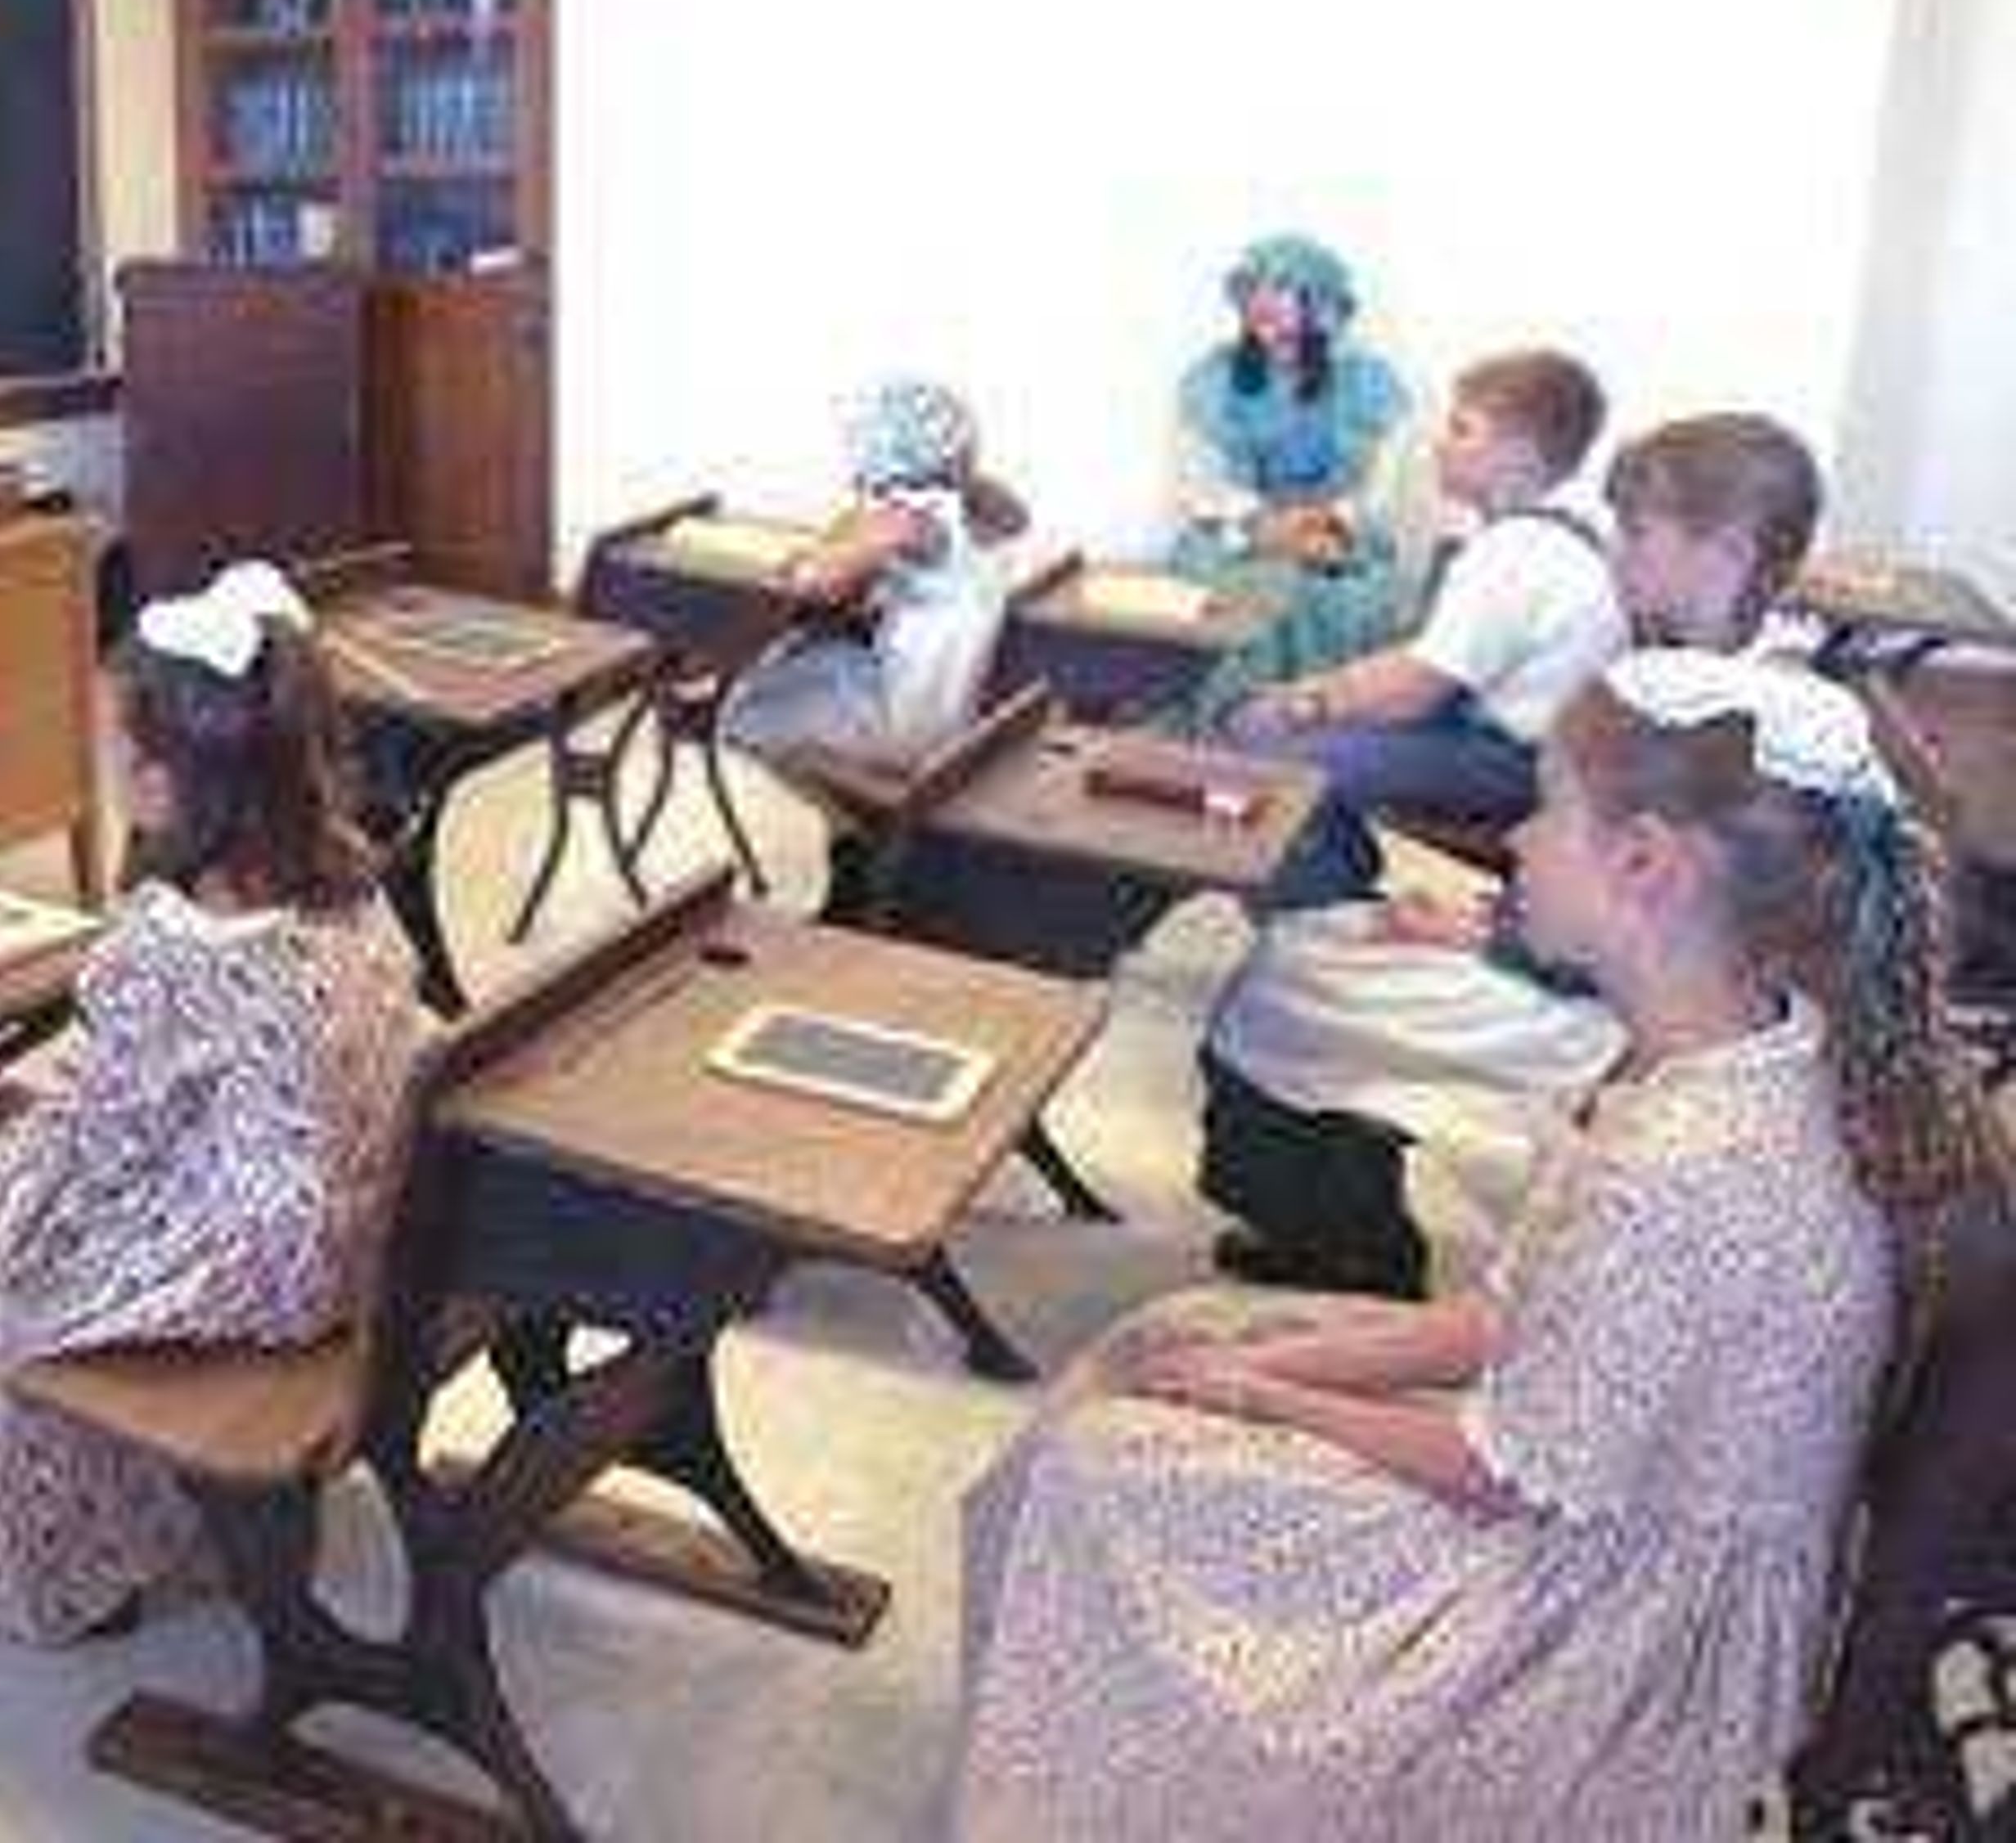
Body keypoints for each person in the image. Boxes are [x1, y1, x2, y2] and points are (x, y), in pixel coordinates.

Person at [948, 650, 2007, 1842]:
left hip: (1614, 1637)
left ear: (1646, 866)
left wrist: (1262, 1395)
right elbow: (1516, 1312)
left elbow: (1505, 1472)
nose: (1515, 839)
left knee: (1111, 1472)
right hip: (1595, 1503)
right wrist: (1276, 1363)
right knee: (1169, 1340)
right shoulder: (1736, 1050)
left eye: (1546, 809)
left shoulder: (1695, 1165)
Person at [0, 560, 423, 1643]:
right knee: (17, 1187)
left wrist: (12, 1149)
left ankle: (59, 1565)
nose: (115, 772)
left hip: (266, 1265)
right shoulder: (353, 887)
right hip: (364, 1215)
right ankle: (150, 1513)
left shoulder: (164, 948)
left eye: (124, 756)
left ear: (174, 784)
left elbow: (111, 1138)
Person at [1199, 413, 1828, 1298]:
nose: (1619, 557)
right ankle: (1344, 1232)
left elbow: (1668, 937)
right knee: (1315, 947)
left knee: (1290, 976)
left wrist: (1481, 935)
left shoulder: (1720, 712)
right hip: (1625, 982)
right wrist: (1485, 919)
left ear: (1723, 546)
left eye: (1639, 532)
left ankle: (1347, 1248)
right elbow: (1630, 893)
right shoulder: (1737, 674)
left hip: (1630, 1021)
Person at [1229, 347, 1627, 907]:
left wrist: (1301, 702)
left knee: (1270, 751)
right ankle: (1347, 887)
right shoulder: (1564, 530)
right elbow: (1425, 661)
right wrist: (1321, 691)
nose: (1441, 445)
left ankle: (1323, 927)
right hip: (1531, 744)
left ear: (1517, 454)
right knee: (1277, 725)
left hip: (1520, 765)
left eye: (1463, 430)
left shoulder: (1517, 551)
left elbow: (1412, 692)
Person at [1169, 234, 1417, 717]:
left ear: (1325, 306)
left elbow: (1387, 493)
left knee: (1345, 595)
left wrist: (1325, 524)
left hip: (1339, 537)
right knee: (1228, 584)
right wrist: (1260, 526)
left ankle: (1309, 734)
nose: (1264, 301)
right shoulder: (1210, 379)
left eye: (1284, 288)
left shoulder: (1371, 383)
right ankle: (1224, 727)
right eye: (1253, 288)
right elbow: (1199, 485)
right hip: (1240, 535)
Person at [723, 376, 1022, 774]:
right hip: (958, 711)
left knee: (754, 698)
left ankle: (711, 715)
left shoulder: (910, 514)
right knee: (823, 652)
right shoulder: (981, 509)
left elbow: (816, 581)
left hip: (903, 720)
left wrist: (808, 558)